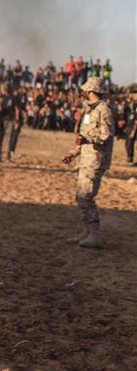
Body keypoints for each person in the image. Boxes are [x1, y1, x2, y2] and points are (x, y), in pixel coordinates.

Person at [61, 77, 114, 248]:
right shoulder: (90, 110)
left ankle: (95, 235)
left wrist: (86, 138)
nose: (83, 93)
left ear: (91, 91)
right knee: (80, 196)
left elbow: (106, 136)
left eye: (85, 90)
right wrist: (73, 153)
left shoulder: (103, 109)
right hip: (86, 159)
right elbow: (83, 138)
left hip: (96, 160)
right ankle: (86, 232)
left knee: (86, 197)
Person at [7, 89, 26, 161]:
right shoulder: (17, 97)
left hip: (16, 118)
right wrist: (17, 119)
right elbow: (17, 109)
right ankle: (10, 153)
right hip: (16, 119)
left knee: (14, 136)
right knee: (14, 136)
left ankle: (9, 153)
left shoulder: (20, 97)